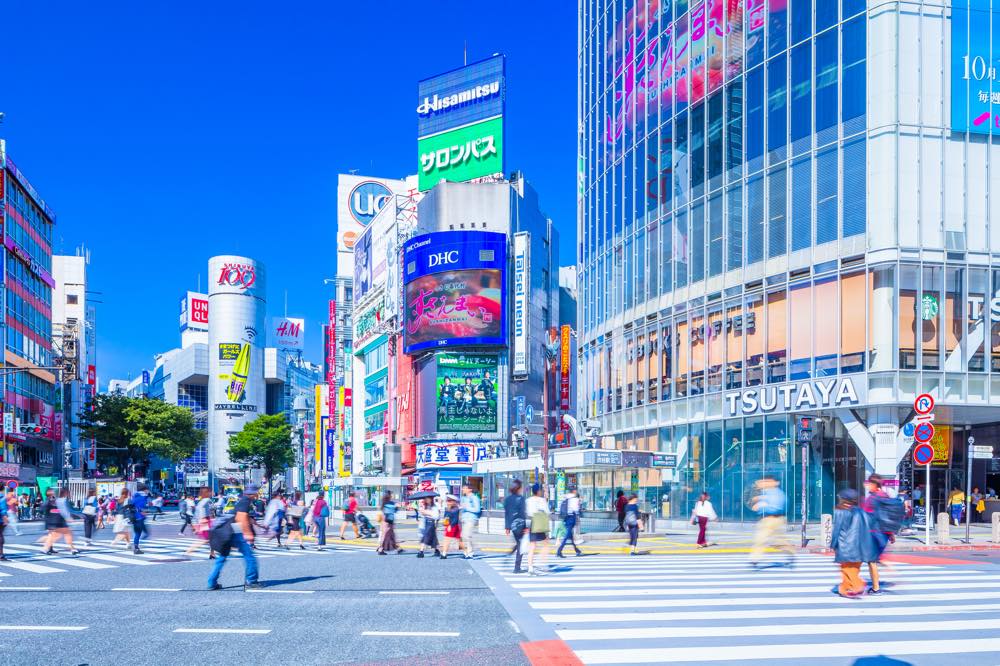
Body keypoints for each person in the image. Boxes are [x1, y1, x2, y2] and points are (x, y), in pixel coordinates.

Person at [207, 484, 261, 590]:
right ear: (253, 493)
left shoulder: (243, 500)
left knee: (222, 557)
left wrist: (256, 524)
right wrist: (248, 534)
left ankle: (211, 582)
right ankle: (251, 580)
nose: (257, 495)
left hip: (227, 531)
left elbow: (242, 516)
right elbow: (241, 517)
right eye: (256, 492)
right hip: (235, 531)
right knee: (249, 556)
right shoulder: (245, 501)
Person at [830, 488, 877, 598]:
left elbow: (836, 530)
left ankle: (858, 585)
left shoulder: (840, 511)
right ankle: (844, 589)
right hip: (860, 548)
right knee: (853, 570)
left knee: (847, 569)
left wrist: (833, 544)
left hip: (846, 547)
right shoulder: (862, 512)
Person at [749, 476, 795, 568]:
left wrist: (760, 506)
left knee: (776, 541)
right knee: (762, 539)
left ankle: (790, 553)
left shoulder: (777, 493)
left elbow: (776, 508)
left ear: (775, 483)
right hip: (768, 519)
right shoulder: (766, 493)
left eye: (767, 481)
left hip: (775, 519)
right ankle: (754, 559)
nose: (764, 483)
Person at [42, 489, 80, 556]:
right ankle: (72, 549)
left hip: (56, 521)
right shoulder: (50, 501)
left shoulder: (53, 500)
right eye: (53, 493)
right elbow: (44, 510)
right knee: (62, 534)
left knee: (55, 535)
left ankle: (48, 548)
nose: (54, 494)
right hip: (54, 521)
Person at [503, 480, 527, 573]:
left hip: (512, 525)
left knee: (518, 543)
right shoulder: (521, 499)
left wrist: (507, 527)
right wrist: (525, 527)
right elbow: (522, 513)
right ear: (519, 488)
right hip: (520, 524)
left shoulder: (508, 499)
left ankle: (510, 555)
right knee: (520, 544)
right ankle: (517, 567)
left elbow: (507, 513)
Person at [526, 484, 550, 575]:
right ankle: (543, 563)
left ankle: (530, 567)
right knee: (546, 543)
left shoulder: (528, 500)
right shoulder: (542, 500)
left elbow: (528, 513)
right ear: (539, 491)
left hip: (533, 523)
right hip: (541, 523)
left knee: (532, 546)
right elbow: (547, 512)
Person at [186, 487, 215, 557]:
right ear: (207, 493)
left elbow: (198, 509)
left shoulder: (202, 501)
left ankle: (212, 553)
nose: (212, 493)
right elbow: (201, 508)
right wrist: (203, 518)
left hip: (205, 520)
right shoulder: (207, 500)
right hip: (205, 520)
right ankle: (189, 550)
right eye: (211, 492)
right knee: (206, 539)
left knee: (211, 538)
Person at [556, 487, 583, 558]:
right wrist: (579, 504)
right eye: (576, 490)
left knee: (570, 536)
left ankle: (577, 550)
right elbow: (576, 510)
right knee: (567, 535)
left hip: (566, 517)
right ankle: (559, 551)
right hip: (571, 517)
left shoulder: (566, 497)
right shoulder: (575, 499)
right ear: (574, 491)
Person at [459, 485, 480, 559]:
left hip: (471, 518)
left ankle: (470, 553)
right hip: (464, 519)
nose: (463, 489)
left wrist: (466, 507)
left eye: (464, 488)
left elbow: (477, 509)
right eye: (463, 488)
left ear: (470, 489)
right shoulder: (463, 498)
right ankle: (466, 552)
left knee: (467, 535)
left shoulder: (474, 498)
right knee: (462, 536)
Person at [131, 484, 151, 554]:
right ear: (145, 490)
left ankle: (136, 547)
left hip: (134, 517)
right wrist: (143, 511)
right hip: (140, 518)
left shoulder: (134, 496)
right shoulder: (142, 497)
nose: (148, 491)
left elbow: (133, 505)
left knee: (138, 533)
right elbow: (142, 507)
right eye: (147, 490)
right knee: (144, 533)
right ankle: (136, 547)